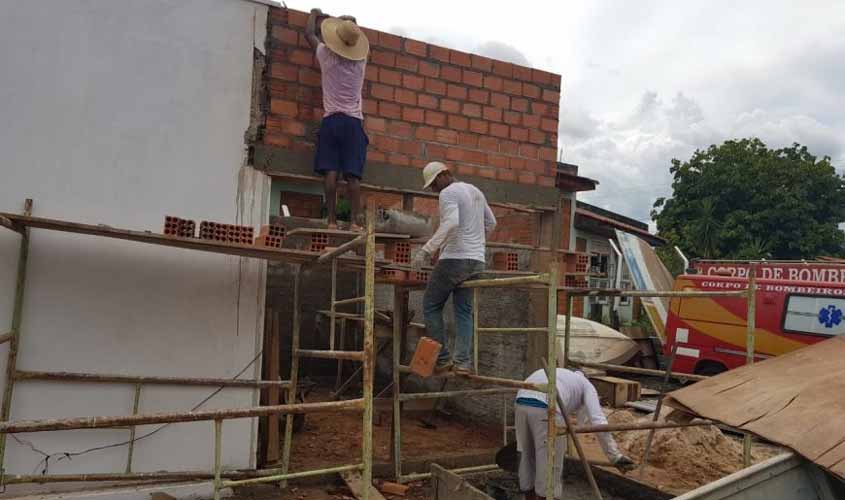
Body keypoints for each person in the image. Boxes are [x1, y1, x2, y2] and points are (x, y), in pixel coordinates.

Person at [412, 161, 496, 374]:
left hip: (455, 260)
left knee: (431, 305)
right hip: (477, 261)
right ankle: (463, 363)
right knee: (464, 312)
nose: (433, 189)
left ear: (442, 176)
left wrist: (426, 251)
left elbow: (451, 223)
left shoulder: (447, 193)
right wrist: (475, 243)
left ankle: (442, 359)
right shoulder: (475, 190)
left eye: (433, 184)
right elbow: (491, 223)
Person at [515, 367, 635, 499]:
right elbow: (599, 421)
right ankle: (547, 496)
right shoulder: (587, 385)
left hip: (520, 402)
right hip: (547, 406)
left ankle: (528, 494)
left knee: (527, 453)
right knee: (550, 459)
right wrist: (615, 456)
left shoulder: (563, 375)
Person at [305, 8, 369, 230]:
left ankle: (331, 220)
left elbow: (309, 35)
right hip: (353, 123)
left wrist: (315, 14)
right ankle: (354, 221)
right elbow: (354, 31)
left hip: (331, 121)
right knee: (353, 176)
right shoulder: (361, 62)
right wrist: (347, 24)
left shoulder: (325, 56)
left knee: (330, 172)